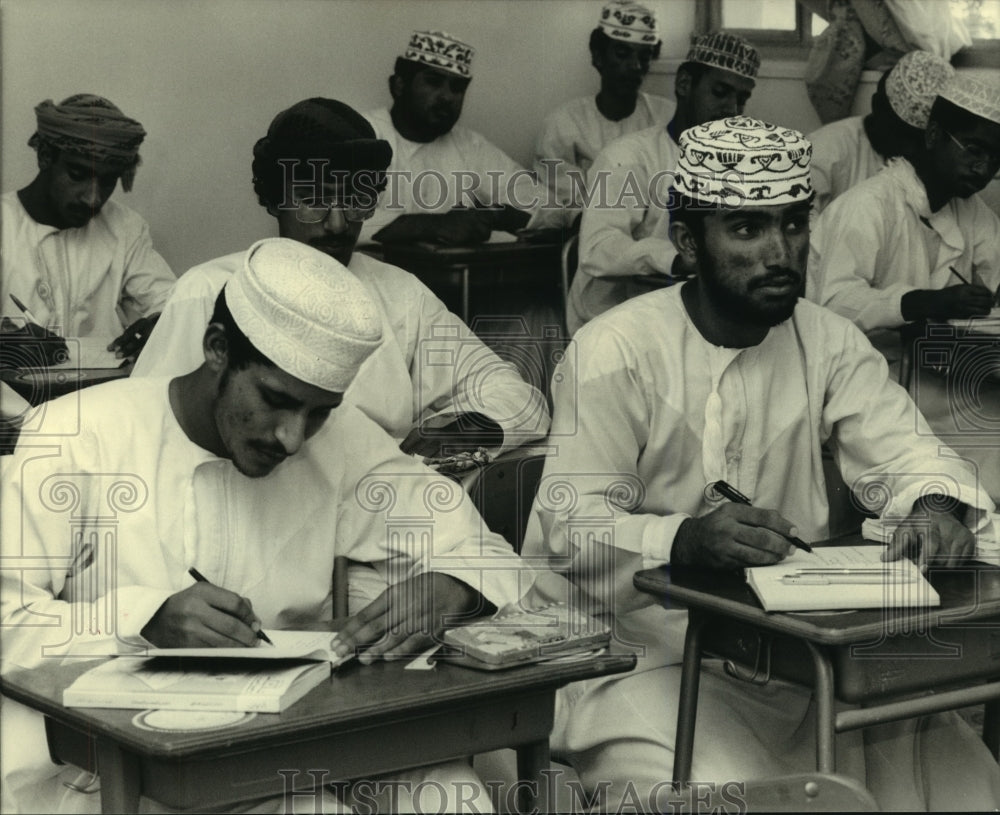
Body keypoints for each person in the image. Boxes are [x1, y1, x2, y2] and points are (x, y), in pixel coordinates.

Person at [523, 116, 1000, 811]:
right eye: (747, 230)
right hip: (634, 651)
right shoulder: (613, 350)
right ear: (688, 242)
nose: (781, 253)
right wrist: (683, 538)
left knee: (958, 768)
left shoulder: (828, 340)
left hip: (792, 652)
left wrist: (933, 505)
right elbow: (572, 528)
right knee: (739, 793)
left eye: (794, 225)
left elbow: (910, 451)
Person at [0, 238, 531, 814]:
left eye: (318, 411)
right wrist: (143, 619)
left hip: (285, 741)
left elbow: (488, 554)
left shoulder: (344, 442)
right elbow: (7, 621)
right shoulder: (77, 436)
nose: (293, 438)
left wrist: (452, 587)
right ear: (217, 350)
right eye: (276, 400)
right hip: (115, 765)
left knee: (453, 794)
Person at [133, 97, 549, 460]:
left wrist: (459, 432)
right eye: (314, 198)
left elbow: (517, 398)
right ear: (275, 198)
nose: (337, 223)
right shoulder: (207, 291)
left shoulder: (400, 295)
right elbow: (148, 433)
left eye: (354, 199)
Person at [568, 31, 760, 334]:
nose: (732, 110)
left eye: (742, 99)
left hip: (690, 324)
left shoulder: (736, 168)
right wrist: (676, 259)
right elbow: (598, 248)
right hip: (613, 325)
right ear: (684, 84)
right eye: (720, 92)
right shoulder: (627, 156)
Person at [806, 72, 1000, 369]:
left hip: (932, 373)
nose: (983, 168)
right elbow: (836, 303)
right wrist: (927, 302)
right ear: (933, 135)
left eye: (996, 158)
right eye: (973, 150)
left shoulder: (971, 210)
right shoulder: (868, 205)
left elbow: (995, 271)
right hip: (862, 374)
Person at [1, 93, 175, 359]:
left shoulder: (125, 227)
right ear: (45, 157)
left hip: (102, 394)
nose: (93, 198)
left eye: (107, 181)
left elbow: (172, 303)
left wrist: (161, 323)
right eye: (78, 175)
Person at [360, 30, 542, 246]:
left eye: (457, 88)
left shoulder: (470, 146)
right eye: (434, 82)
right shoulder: (361, 133)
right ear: (399, 85)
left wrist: (493, 215)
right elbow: (333, 216)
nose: (447, 97)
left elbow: (547, 205)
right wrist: (433, 225)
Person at [531, 1, 673, 230]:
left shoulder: (667, 117)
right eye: (622, 54)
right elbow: (561, 204)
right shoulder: (563, 125)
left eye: (644, 56)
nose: (635, 66)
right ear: (598, 56)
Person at [809, 49, 954, 215]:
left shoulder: (931, 164)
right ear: (877, 107)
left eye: (917, 141)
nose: (908, 150)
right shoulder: (822, 155)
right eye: (902, 135)